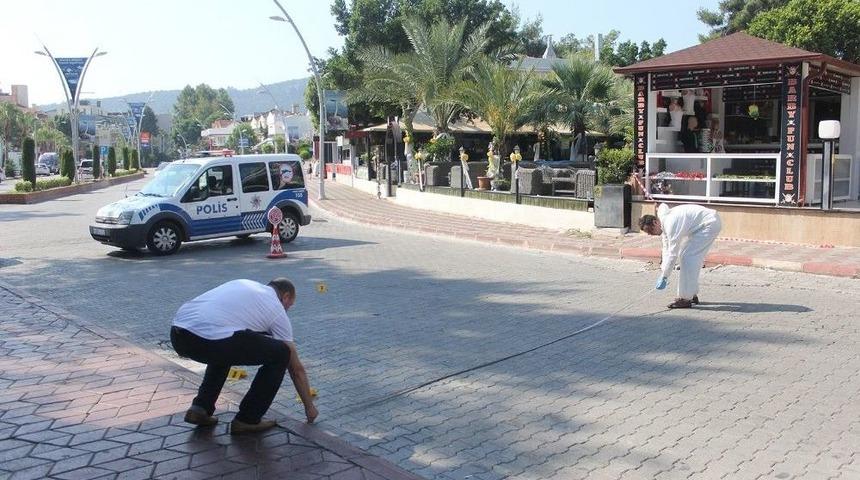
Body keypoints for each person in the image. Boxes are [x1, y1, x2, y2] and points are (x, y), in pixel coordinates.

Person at [170, 278, 318, 434]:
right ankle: (248, 419)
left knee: (225, 341)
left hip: (178, 334)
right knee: (281, 353)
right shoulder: (276, 308)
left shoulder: (243, 284)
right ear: (286, 296)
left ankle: (200, 408)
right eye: (290, 305)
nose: (288, 309)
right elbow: (296, 368)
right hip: (208, 340)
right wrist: (310, 407)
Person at [639, 203, 722, 309]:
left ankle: (685, 298)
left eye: (650, 230)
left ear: (655, 222)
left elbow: (673, 254)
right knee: (689, 257)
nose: (650, 234)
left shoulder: (670, 224)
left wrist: (665, 276)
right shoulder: (664, 222)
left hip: (709, 224)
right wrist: (663, 272)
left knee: (688, 258)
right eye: (648, 233)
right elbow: (666, 249)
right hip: (704, 224)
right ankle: (690, 293)